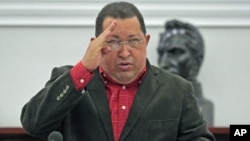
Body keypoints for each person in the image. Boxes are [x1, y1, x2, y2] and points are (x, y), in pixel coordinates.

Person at [21, 2, 215, 141]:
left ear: (146, 42)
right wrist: (84, 69)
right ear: (96, 45)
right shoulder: (71, 81)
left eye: (133, 40)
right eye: (112, 41)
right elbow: (34, 125)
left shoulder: (177, 89)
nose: (124, 52)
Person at [157, 19, 214, 126]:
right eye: (161, 54)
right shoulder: (150, 108)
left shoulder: (205, 107)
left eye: (176, 52)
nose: (163, 63)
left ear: (197, 59)